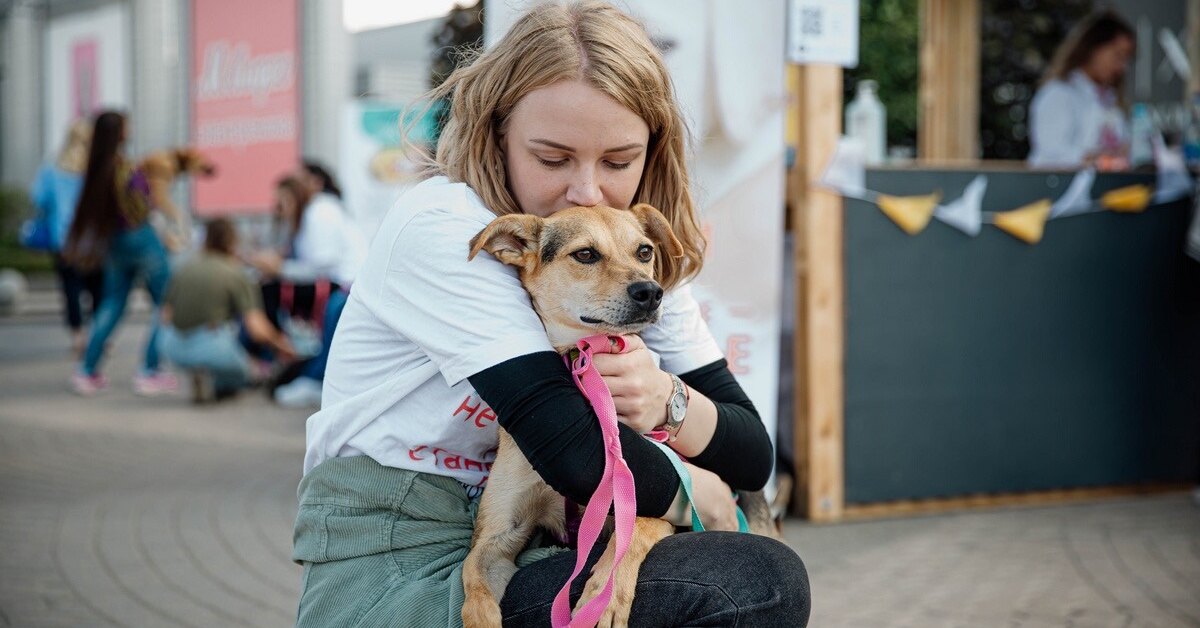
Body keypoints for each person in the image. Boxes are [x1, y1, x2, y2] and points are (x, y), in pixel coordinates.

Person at [292, 3, 811, 627]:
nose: (587, 191)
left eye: (618, 161)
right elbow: (574, 452)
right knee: (750, 580)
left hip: (551, 541)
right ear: (498, 135)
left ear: (651, 152)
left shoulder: (629, 265)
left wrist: (664, 398)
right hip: (401, 553)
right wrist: (699, 490)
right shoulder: (446, 230)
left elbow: (751, 454)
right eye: (553, 158)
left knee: (755, 572)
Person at [62, 111, 208, 396]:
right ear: (119, 133)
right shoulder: (126, 169)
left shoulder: (95, 169)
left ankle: (87, 371)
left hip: (115, 242)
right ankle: (150, 371)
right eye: (126, 126)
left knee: (112, 303)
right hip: (141, 237)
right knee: (166, 302)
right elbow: (143, 205)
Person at [250, 172, 365, 408]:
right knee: (266, 288)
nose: (278, 208)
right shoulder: (309, 215)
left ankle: (287, 355)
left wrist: (280, 267)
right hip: (336, 283)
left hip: (342, 285)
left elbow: (322, 265)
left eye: (282, 201)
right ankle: (282, 354)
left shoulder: (318, 214)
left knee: (268, 291)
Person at [158, 218, 296, 402]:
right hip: (211, 345)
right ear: (232, 242)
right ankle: (218, 381)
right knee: (248, 372)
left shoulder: (184, 268)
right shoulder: (234, 272)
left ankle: (202, 372)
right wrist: (283, 346)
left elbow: (165, 315)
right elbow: (256, 329)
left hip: (171, 346)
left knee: (214, 343)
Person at [29, 119, 103, 355]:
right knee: (97, 288)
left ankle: (78, 336)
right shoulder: (96, 168)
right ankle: (98, 335)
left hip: (63, 239)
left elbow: (38, 199)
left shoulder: (52, 170)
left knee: (71, 289)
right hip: (93, 240)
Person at [1028, 9, 1135, 169]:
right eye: (1117, 55)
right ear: (1093, 49)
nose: (1122, 67)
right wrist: (1097, 158)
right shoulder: (1059, 93)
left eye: (1126, 59)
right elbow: (1049, 156)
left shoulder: (1111, 100)